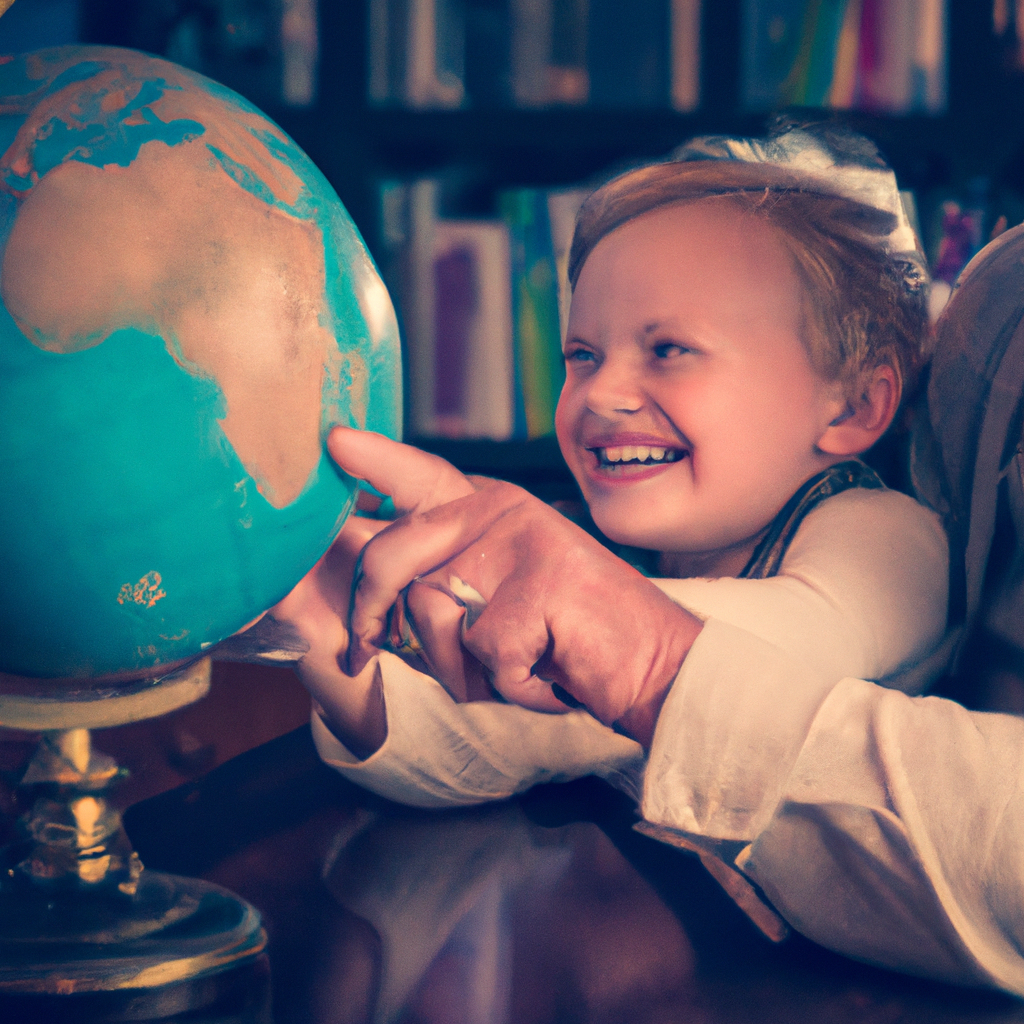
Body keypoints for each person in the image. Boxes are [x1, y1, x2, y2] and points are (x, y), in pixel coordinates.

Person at [255, 126, 1024, 985]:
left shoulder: (883, 537)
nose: (600, 394)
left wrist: (539, 621)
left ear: (852, 405)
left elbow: (763, 652)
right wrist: (341, 643)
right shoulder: (653, 556)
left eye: (669, 350)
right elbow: (487, 747)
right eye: (582, 355)